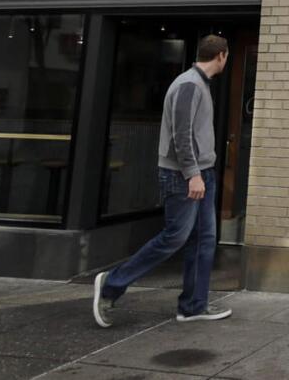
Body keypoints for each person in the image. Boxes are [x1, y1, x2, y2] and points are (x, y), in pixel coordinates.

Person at [93, 35, 231, 327]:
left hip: (203, 173)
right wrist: (193, 174)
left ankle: (193, 306)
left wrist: (201, 173)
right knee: (175, 237)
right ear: (220, 56)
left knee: (203, 240)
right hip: (184, 176)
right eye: (226, 56)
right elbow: (181, 135)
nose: (225, 61)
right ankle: (111, 284)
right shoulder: (188, 85)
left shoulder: (200, 85)